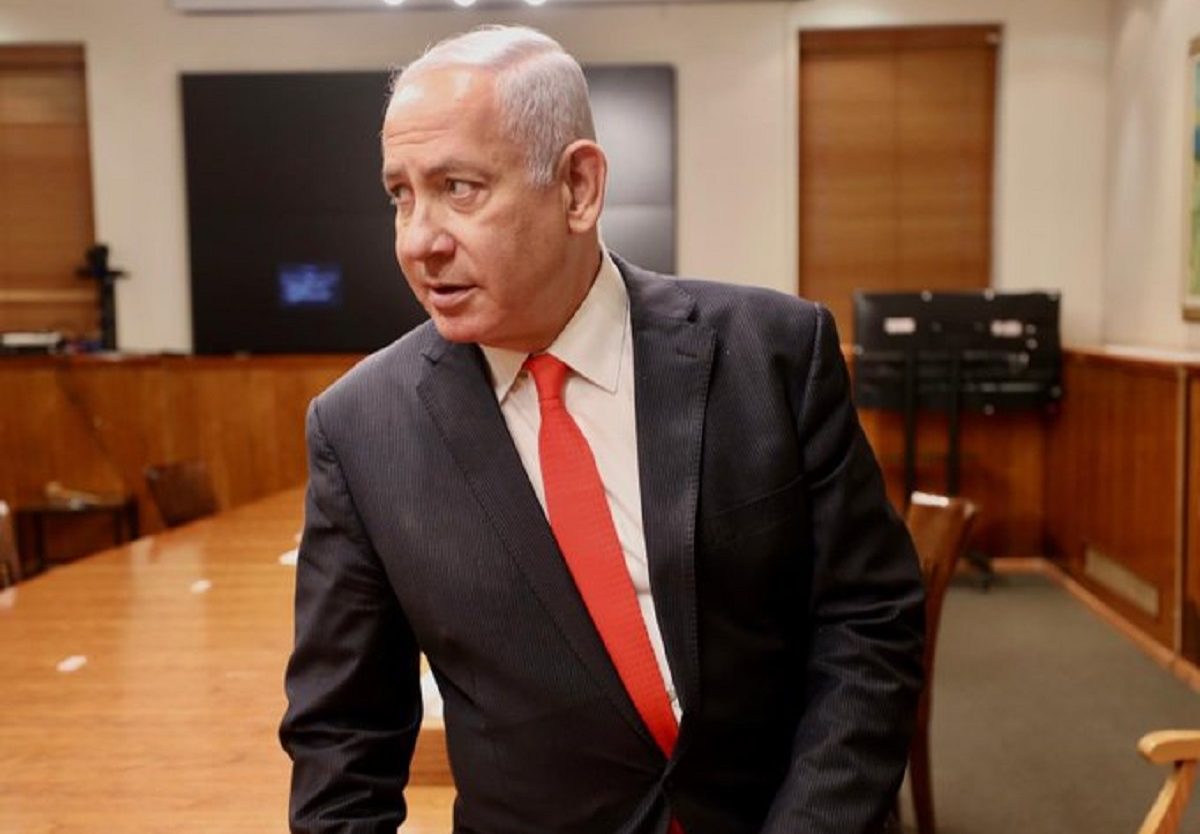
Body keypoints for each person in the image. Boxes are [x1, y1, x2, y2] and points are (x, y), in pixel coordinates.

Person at [280, 24, 924, 834]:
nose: (419, 241)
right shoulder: (360, 428)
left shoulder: (775, 353)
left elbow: (868, 623)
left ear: (578, 188)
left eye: (459, 188)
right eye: (401, 196)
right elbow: (342, 741)